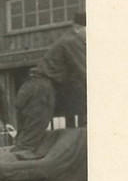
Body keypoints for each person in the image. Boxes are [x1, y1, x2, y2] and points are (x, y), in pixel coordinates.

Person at [13, 12, 87, 155]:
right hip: (41, 89)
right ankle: (7, 171)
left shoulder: (67, 40)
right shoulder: (72, 41)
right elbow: (85, 72)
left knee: (26, 137)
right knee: (29, 142)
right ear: (77, 28)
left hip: (35, 87)